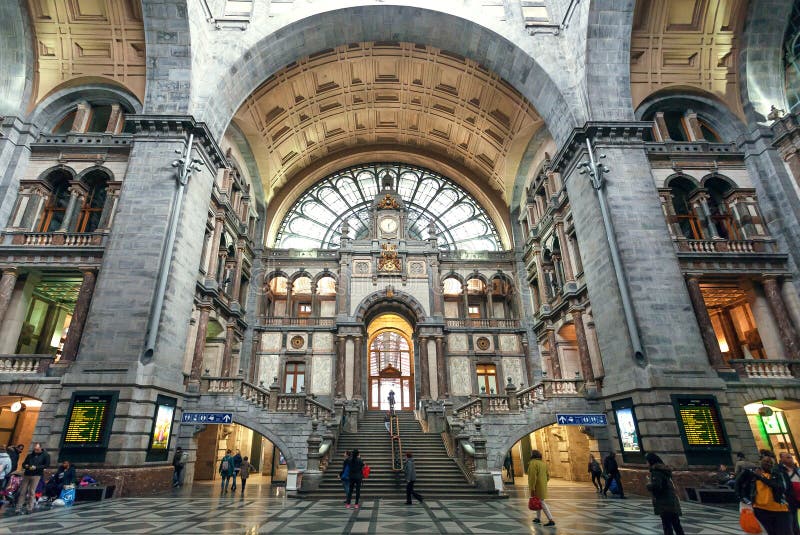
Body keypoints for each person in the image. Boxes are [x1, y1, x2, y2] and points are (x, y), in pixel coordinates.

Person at [736, 455, 793, 535]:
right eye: (765, 461)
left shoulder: (778, 474)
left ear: (773, 464)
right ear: (761, 462)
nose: (767, 464)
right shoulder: (751, 473)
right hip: (761, 510)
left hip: (780, 510)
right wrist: (743, 499)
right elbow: (739, 484)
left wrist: (761, 476)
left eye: (770, 462)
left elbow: (779, 486)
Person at [645, 453, 685, 535]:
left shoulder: (656, 472)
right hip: (671, 500)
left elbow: (657, 486)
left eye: (647, 461)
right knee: (676, 524)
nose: (646, 463)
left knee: (667, 526)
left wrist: (649, 485)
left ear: (651, 461)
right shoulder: (664, 470)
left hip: (664, 502)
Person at [17, 442, 49, 514]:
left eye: (37, 449)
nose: (35, 450)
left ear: (41, 448)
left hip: (36, 475)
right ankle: (18, 508)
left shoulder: (45, 455)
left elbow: (46, 465)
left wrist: (36, 467)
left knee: (32, 491)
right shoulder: (30, 456)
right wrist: (26, 466)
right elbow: (23, 464)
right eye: (35, 449)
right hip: (27, 474)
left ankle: (30, 508)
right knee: (22, 491)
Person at [527, 450, 555, 527]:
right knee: (538, 501)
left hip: (536, 487)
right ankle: (538, 518)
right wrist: (543, 483)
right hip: (542, 486)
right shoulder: (543, 464)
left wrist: (532, 488)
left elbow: (533, 477)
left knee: (541, 503)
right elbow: (548, 476)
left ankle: (551, 520)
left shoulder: (533, 463)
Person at [778, 452, 800, 535]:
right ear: (781, 459)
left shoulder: (796, 469)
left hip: (797, 499)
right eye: (788, 457)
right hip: (790, 501)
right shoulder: (779, 471)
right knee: (793, 523)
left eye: (791, 457)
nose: (791, 458)